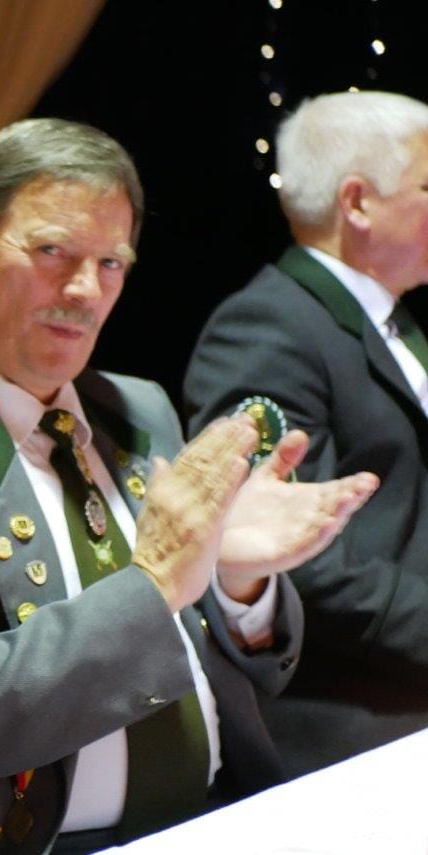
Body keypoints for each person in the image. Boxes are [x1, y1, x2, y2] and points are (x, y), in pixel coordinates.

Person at [0, 118, 377, 853]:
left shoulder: (139, 408)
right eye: (52, 251)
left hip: (224, 812)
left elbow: (238, 664)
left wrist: (236, 581)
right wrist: (156, 583)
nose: (86, 289)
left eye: (111, 262)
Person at [185, 90, 428, 776]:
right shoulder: (265, 328)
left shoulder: (394, 323)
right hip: (349, 731)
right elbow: (296, 552)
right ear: (357, 202)